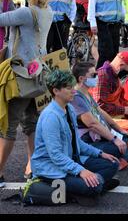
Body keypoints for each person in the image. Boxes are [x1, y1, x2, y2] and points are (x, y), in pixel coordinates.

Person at [31, 70, 120, 206]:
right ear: (56, 91)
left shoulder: (69, 109)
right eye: (68, 88)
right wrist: (81, 170)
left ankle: (92, 186)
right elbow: (55, 155)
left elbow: (76, 142)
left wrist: (100, 154)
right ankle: (92, 187)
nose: (74, 91)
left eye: (73, 87)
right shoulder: (51, 117)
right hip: (51, 168)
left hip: (70, 160)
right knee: (95, 185)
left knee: (113, 163)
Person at [0, 0, 53, 188]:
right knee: (31, 124)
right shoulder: (47, 11)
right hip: (39, 75)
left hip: (21, 76)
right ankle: (33, 168)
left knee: (8, 127)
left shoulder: (26, 12)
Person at [71, 62, 128, 170]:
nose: (97, 77)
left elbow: (100, 111)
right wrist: (114, 139)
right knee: (117, 146)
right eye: (93, 75)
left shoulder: (86, 93)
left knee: (124, 136)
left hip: (97, 135)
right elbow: (92, 124)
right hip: (86, 141)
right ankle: (114, 160)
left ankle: (117, 159)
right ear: (81, 78)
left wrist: (118, 129)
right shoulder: (76, 98)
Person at [88, 0, 124, 69]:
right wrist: (92, 23)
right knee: (105, 52)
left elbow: (120, 4)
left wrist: (123, 18)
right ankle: (99, 76)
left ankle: (111, 75)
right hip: (103, 23)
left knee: (114, 52)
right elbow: (91, 4)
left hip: (115, 23)